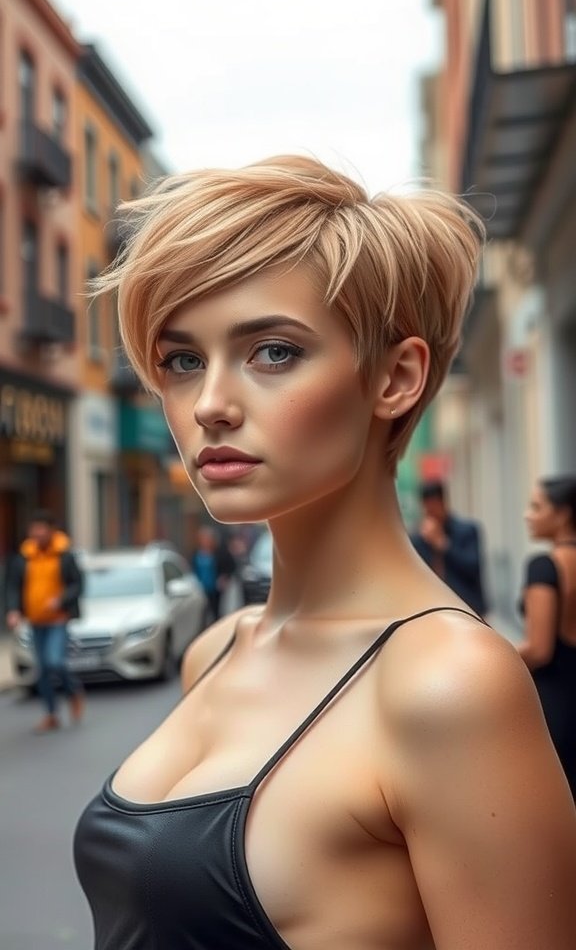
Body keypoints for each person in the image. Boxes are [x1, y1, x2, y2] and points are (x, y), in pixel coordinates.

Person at [74, 156, 576, 950]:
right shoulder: (215, 652)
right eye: (181, 360)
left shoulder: (446, 686)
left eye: (273, 352)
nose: (210, 405)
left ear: (396, 378)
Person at [518, 476, 576, 798]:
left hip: (559, 707)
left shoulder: (544, 566)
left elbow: (539, 650)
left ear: (563, 514)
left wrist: (495, 657)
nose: (528, 515)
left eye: (537, 507)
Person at [5, 509, 84, 732]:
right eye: (34, 530)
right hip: (35, 620)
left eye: (42, 530)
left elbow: (77, 584)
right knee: (42, 670)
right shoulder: (23, 557)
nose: (38, 534)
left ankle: (72, 691)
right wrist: (13, 610)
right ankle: (51, 714)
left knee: (55, 662)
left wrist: (61, 600)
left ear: (51, 531)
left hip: (58, 619)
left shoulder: (65, 555)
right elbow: (13, 585)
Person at [411, 479, 487, 616]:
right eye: (427, 508)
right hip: (433, 609)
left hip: (468, 608)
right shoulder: (419, 539)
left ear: (443, 502)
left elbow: (472, 567)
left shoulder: (467, 531)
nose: (431, 512)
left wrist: (442, 544)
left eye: (434, 506)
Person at [190, 523, 236, 626]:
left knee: (216, 612)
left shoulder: (221, 552)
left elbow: (231, 566)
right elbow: (193, 569)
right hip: (201, 588)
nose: (205, 540)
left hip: (216, 588)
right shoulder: (196, 553)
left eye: (207, 538)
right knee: (202, 613)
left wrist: (224, 577)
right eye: (203, 538)